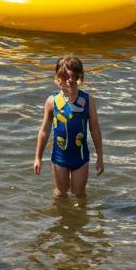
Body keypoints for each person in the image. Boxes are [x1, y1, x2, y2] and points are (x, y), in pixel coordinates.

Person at [33, 55, 104, 199]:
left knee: (79, 195)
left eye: (73, 77)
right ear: (57, 79)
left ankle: (79, 213)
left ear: (80, 78)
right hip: (60, 158)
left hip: (80, 158)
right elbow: (44, 131)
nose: (69, 81)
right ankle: (61, 213)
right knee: (60, 194)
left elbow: (95, 130)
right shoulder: (52, 102)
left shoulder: (87, 101)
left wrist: (100, 157)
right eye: (65, 77)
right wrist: (38, 157)